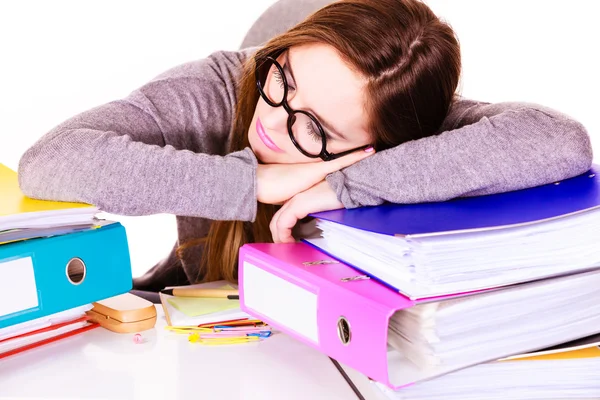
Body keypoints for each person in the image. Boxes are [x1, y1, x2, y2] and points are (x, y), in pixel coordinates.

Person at [18, 0, 592, 297]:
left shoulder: (418, 128)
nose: (271, 121)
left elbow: (558, 139)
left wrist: (342, 185)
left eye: (315, 129)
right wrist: (252, 183)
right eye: (284, 79)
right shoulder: (228, 84)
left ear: (380, 144)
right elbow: (50, 160)